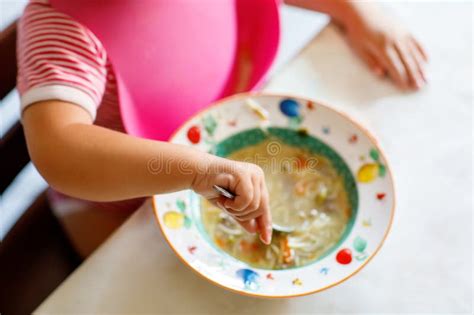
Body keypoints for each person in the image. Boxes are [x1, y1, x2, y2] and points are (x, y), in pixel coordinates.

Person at [17, 0, 427, 257]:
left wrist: (352, 10)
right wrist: (194, 171)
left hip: (223, 138)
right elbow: (60, 148)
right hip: (118, 205)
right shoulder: (61, 29)